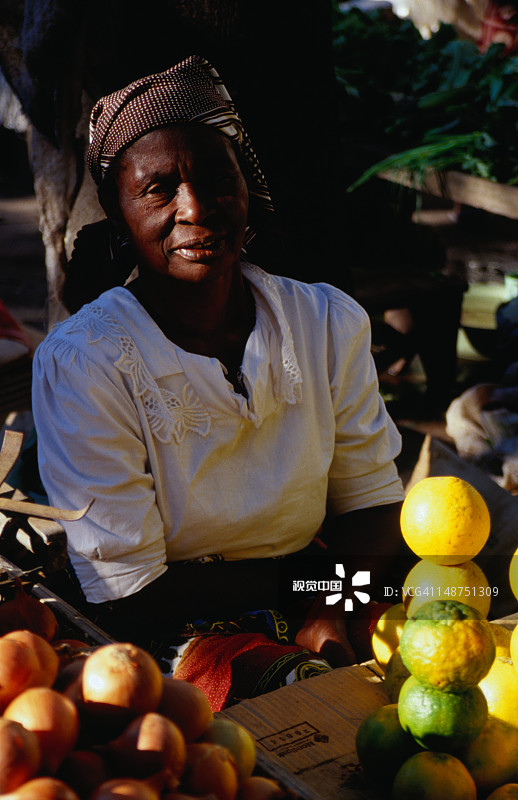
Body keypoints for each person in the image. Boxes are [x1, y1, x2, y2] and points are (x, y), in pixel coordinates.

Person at [32, 55, 405, 711]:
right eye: (158, 190)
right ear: (118, 218)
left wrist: (336, 604)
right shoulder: (86, 363)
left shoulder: (323, 322)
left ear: (247, 190)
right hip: (164, 633)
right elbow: (131, 590)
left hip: (324, 584)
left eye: (215, 180)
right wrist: (309, 589)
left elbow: (373, 504)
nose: (195, 208)